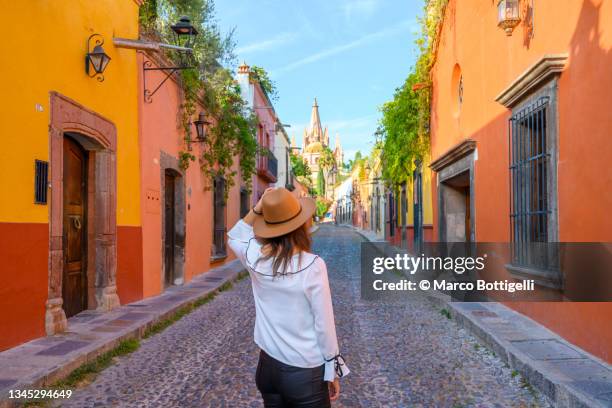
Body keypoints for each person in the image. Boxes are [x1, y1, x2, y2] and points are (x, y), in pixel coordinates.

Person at [228, 187, 349, 407]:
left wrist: (259, 207)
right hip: (304, 374)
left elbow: (236, 236)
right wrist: (332, 370)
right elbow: (324, 326)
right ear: (300, 226)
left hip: (267, 369)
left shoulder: (255, 259)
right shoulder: (312, 265)